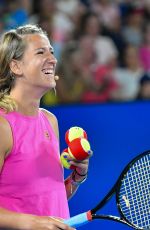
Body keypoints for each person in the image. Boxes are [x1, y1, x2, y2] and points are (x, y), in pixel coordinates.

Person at [0, 24, 89, 229]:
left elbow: (49, 198)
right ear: (16, 67)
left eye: (52, 51)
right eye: (41, 52)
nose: (53, 59)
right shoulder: (3, 126)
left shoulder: (50, 120)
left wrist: (77, 178)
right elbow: (36, 219)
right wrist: (32, 222)